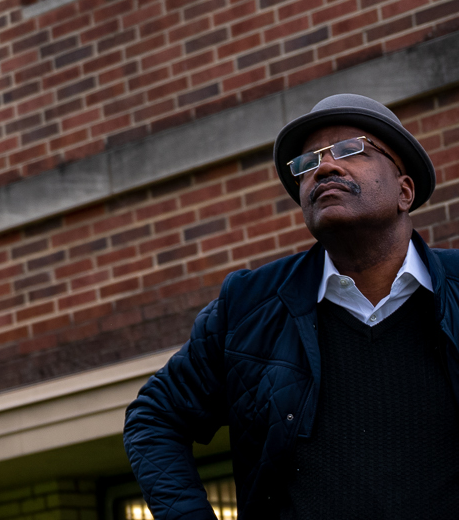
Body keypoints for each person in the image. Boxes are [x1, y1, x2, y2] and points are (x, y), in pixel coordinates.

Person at [124, 93, 459, 518]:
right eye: (306, 163)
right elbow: (153, 418)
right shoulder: (248, 306)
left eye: (350, 149)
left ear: (404, 191)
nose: (324, 167)